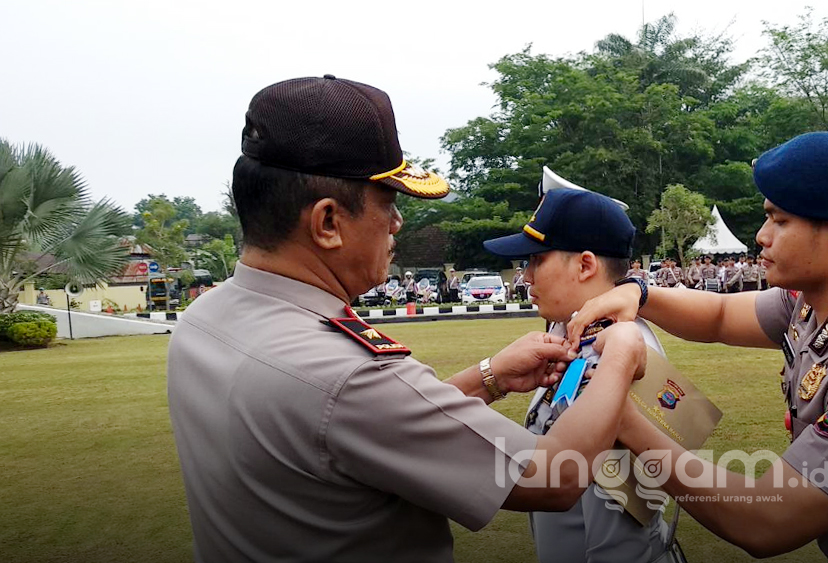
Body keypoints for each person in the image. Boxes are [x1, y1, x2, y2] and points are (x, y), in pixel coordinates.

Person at [166, 75, 649, 563]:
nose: (396, 223)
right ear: (328, 222)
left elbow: (362, 429)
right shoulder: (345, 373)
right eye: (388, 204)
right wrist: (622, 353)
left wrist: (491, 377)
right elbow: (553, 477)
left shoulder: (203, 319)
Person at [566, 132, 828, 563]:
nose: (762, 236)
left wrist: (619, 416)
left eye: (779, 221)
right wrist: (639, 292)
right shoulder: (817, 299)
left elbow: (765, 521)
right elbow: (719, 315)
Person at [483, 187, 672, 563]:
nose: (525, 277)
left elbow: (621, 546)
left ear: (585, 266)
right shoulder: (580, 338)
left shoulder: (614, 359)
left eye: (536, 260)